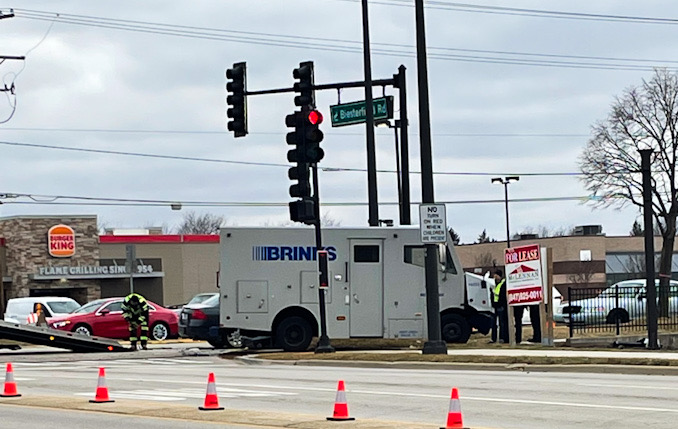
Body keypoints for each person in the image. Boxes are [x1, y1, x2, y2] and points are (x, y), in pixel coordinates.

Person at [490, 269, 509, 343]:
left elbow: (502, 296)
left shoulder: (503, 284)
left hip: (501, 306)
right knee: (493, 324)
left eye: (496, 275)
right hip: (494, 306)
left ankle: (502, 338)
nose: (495, 277)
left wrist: (500, 304)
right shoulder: (493, 283)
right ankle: (493, 338)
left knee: (502, 323)